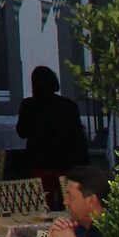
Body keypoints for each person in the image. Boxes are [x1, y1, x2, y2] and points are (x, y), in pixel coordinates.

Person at [16, 65, 90, 205]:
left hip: (40, 162)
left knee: (42, 205)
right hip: (66, 162)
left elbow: (21, 132)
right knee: (70, 204)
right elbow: (78, 137)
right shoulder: (68, 106)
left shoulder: (29, 105)